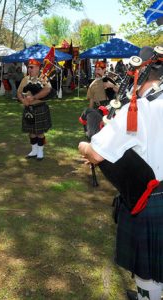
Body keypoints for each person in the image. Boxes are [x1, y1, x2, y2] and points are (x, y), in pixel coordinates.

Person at [78, 46, 163, 300]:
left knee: (147, 273)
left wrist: (84, 145)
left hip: (151, 200)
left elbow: (96, 153)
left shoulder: (139, 109)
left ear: (140, 73)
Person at [17, 58, 52, 160]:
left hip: (40, 107)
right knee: (31, 131)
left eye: (31, 67)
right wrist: (22, 100)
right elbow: (19, 92)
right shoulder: (25, 79)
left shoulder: (43, 78)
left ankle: (40, 151)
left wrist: (34, 97)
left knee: (40, 132)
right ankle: (34, 150)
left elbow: (47, 90)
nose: (29, 69)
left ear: (37, 68)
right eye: (28, 67)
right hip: (29, 108)